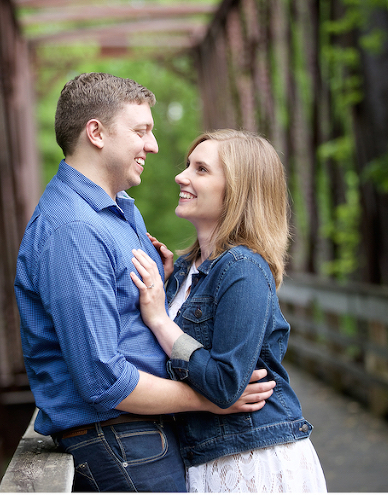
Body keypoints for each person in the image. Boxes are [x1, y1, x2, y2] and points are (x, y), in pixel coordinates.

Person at [14, 74, 276, 492]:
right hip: (118, 435)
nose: (152, 146)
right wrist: (211, 399)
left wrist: (168, 287)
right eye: (141, 131)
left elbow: (127, 319)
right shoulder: (73, 230)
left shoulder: (120, 209)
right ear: (96, 133)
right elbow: (103, 382)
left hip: (144, 430)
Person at [130, 129, 327, 492]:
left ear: (236, 192)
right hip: (209, 456)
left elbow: (225, 385)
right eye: (188, 164)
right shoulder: (188, 269)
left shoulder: (243, 267)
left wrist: (160, 318)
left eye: (201, 169)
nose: (181, 175)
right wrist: (169, 284)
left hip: (253, 460)